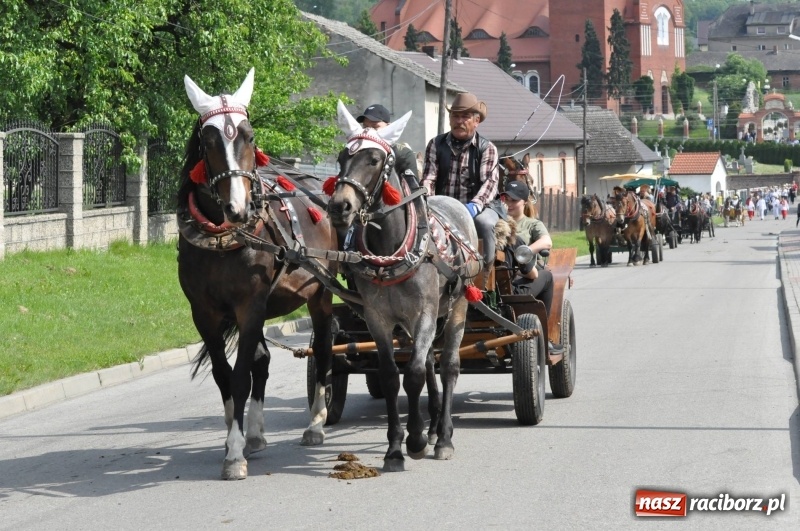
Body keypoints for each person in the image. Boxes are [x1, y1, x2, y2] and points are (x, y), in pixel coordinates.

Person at [421, 92, 501, 276]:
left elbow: (489, 183)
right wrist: (427, 202)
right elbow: (429, 178)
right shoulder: (436, 144)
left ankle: (484, 274)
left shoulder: (486, 148)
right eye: (455, 116)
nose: (459, 121)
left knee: (485, 224)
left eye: (465, 116)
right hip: (442, 207)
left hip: (479, 206)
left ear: (476, 120)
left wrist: (474, 206)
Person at [497, 180, 562, 352]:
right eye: (506, 199)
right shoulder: (498, 223)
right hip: (506, 281)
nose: (509, 204)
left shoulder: (532, 224)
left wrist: (525, 252)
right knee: (547, 277)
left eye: (514, 200)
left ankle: (544, 334)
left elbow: (547, 242)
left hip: (523, 276)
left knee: (546, 275)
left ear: (524, 202)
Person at [356, 103, 419, 181]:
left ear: (389, 126)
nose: (369, 131)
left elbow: (413, 190)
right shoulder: (357, 154)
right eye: (365, 127)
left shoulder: (403, 154)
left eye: (375, 127)